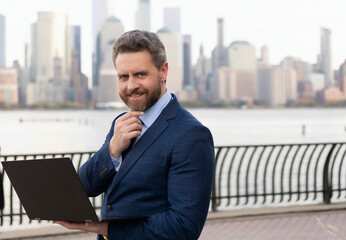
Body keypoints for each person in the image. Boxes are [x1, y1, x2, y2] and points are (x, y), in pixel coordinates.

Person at [55, 30, 215, 240]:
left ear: (163, 71)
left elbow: (183, 227)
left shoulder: (192, 135)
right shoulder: (120, 123)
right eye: (123, 76)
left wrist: (105, 230)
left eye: (140, 74)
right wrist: (112, 150)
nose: (131, 86)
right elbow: (85, 186)